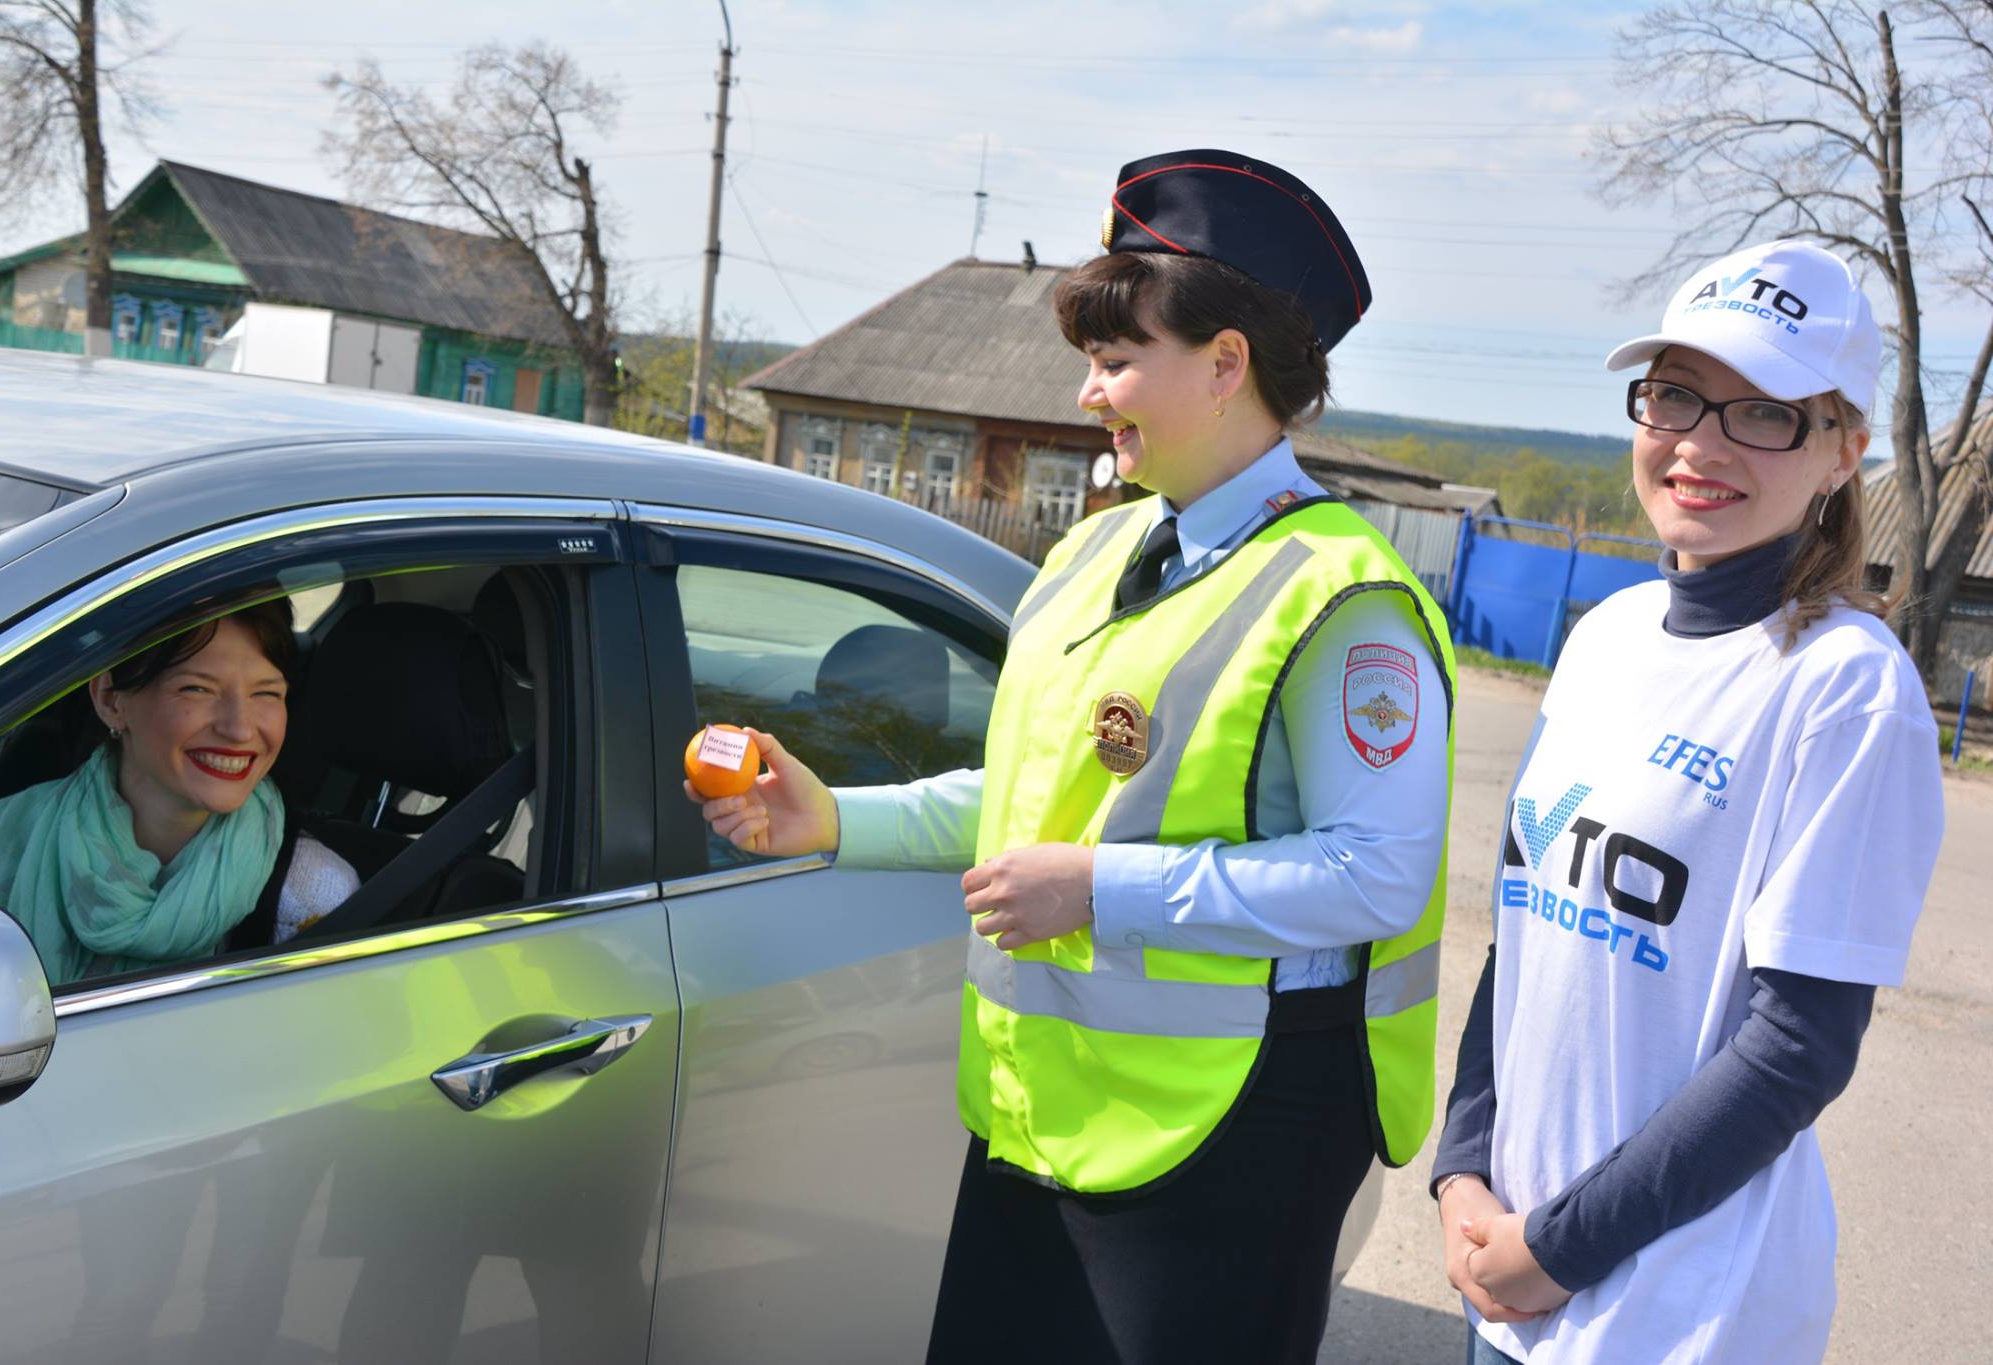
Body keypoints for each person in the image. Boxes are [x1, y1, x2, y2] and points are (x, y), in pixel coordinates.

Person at [690, 149, 1456, 1363]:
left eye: (1114, 361)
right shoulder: (1093, 557)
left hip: (1231, 1138)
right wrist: (835, 817)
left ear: (1223, 364)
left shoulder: (1341, 595)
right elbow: (1034, 805)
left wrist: (1099, 893)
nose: (1091, 396)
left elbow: (1375, 878)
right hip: (1046, 1114)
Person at [1432, 239, 1947, 1364]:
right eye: (1674, 394)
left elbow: (1796, 1048)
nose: (1698, 443)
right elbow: (1521, 929)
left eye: (1760, 411)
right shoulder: (1604, 635)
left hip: (1673, 1320)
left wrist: (1557, 1246)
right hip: (1508, 1286)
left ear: (1840, 453)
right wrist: (1461, 1160)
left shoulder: (1844, 688)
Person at [0, 599, 358, 985]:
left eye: (266, 693)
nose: (240, 729)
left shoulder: (311, 894)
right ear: (110, 700)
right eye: (197, 689)